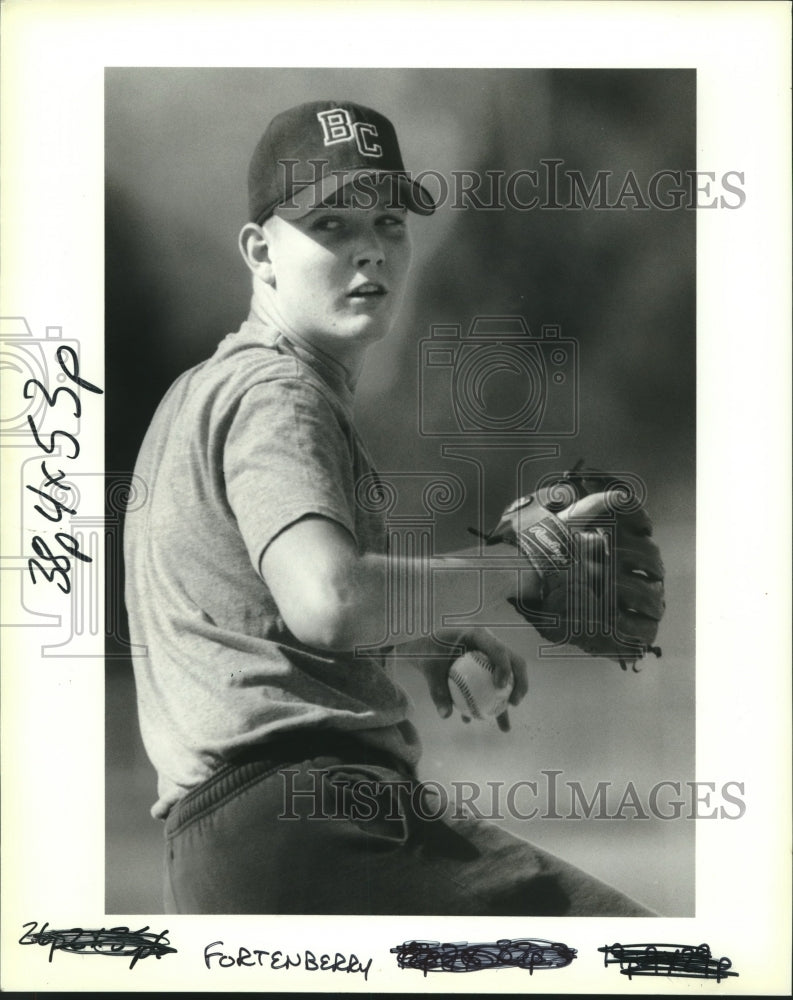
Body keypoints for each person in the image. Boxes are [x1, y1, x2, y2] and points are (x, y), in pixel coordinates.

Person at [124, 99, 657, 915]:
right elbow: (330, 601)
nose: (368, 247)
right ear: (260, 251)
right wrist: (524, 565)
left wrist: (424, 633)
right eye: (330, 224)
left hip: (226, 857)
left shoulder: (199, 396)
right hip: (317, 824)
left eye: (389, 221)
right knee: (647, 959)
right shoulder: (277, 394)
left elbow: (247, 607)